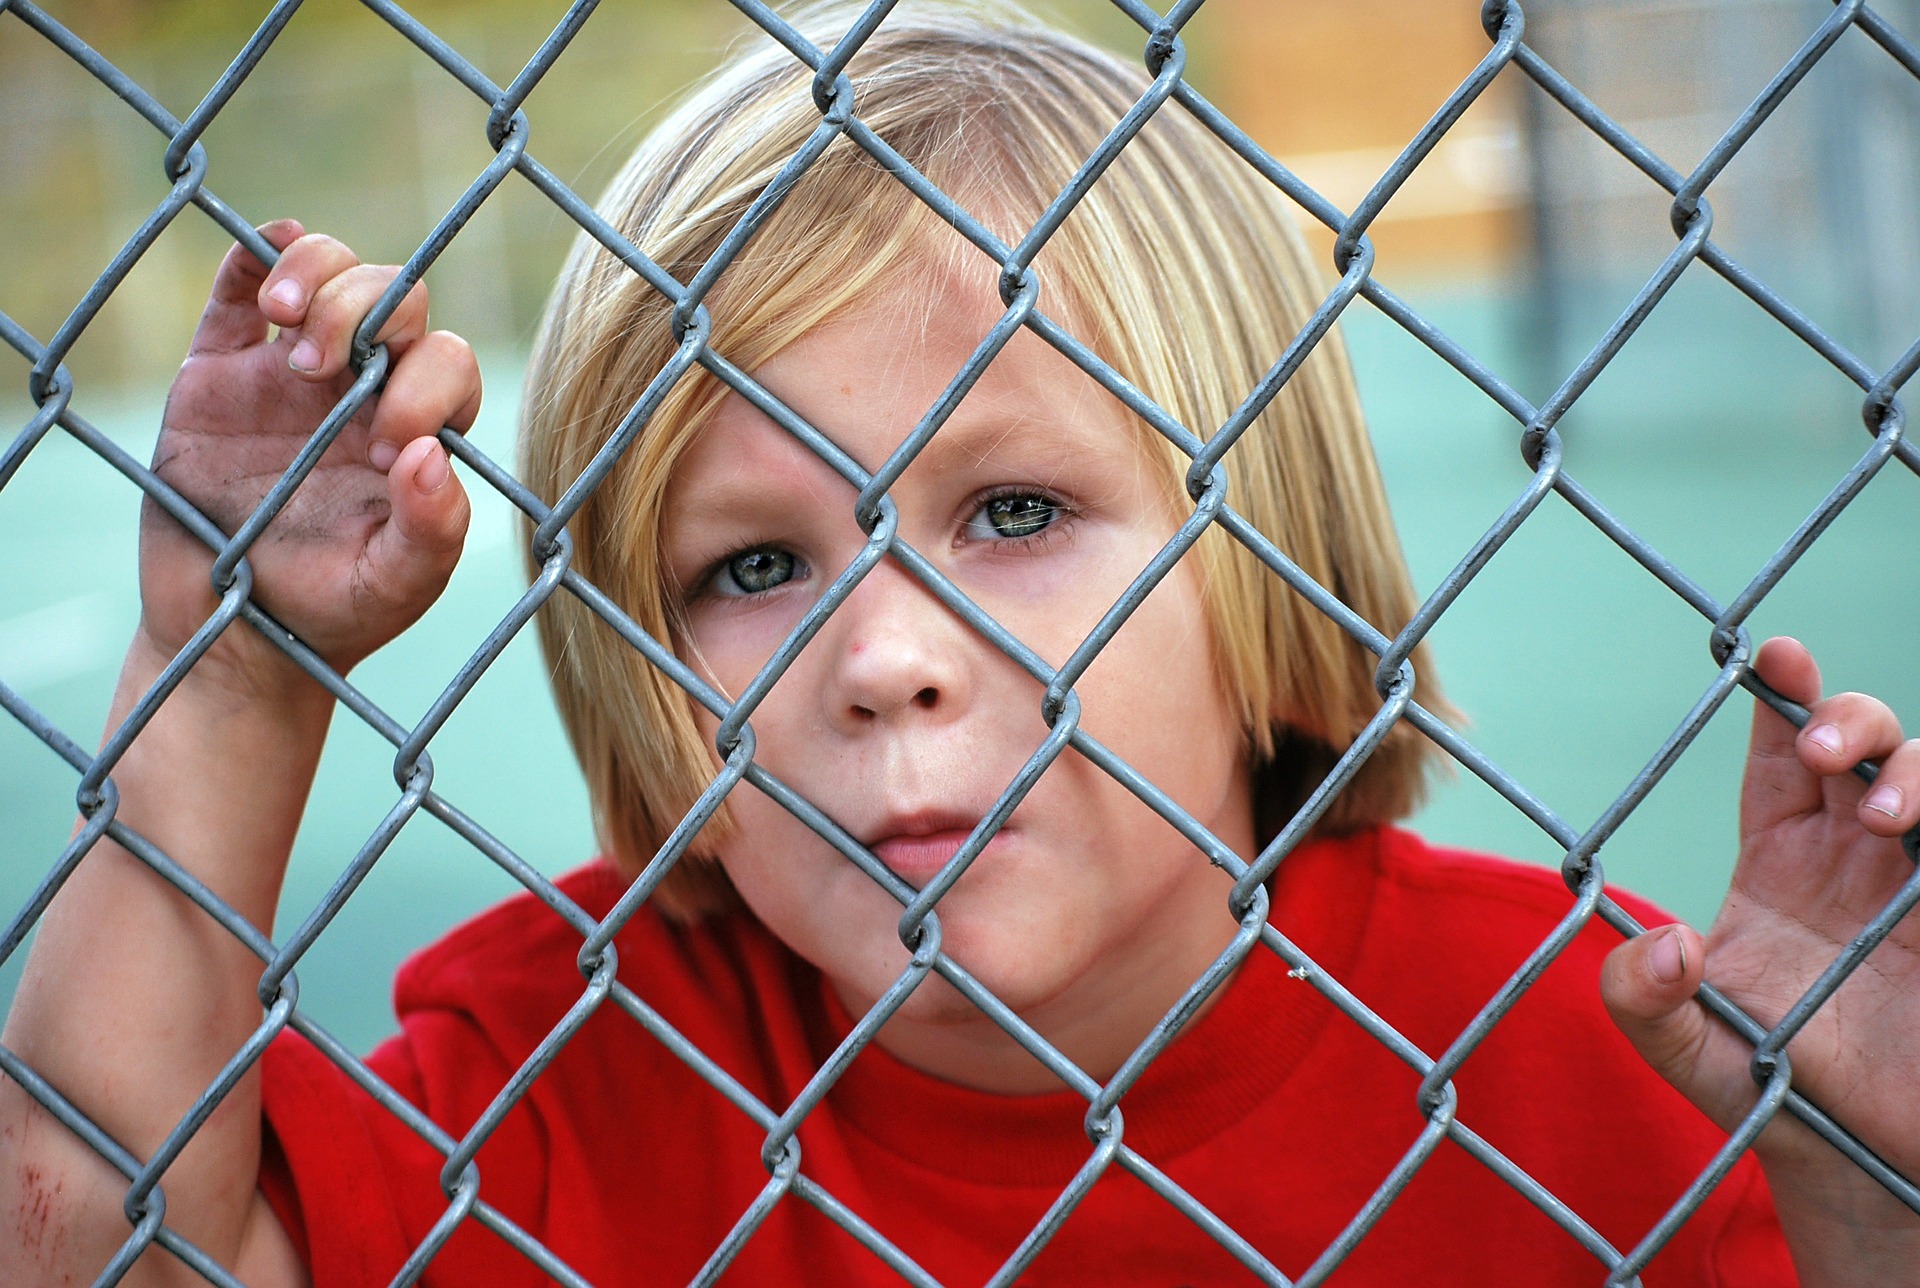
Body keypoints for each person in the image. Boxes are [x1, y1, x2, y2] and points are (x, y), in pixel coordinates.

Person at [4, 5, 1918, 1285]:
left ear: (1278, 582)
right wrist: (232, 663)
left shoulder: (1568, 1047)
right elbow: (79, 1231)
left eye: (1011, 515)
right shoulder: (569, 1071)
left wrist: (1864, 1173)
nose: (881, 660)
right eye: (750, 567)